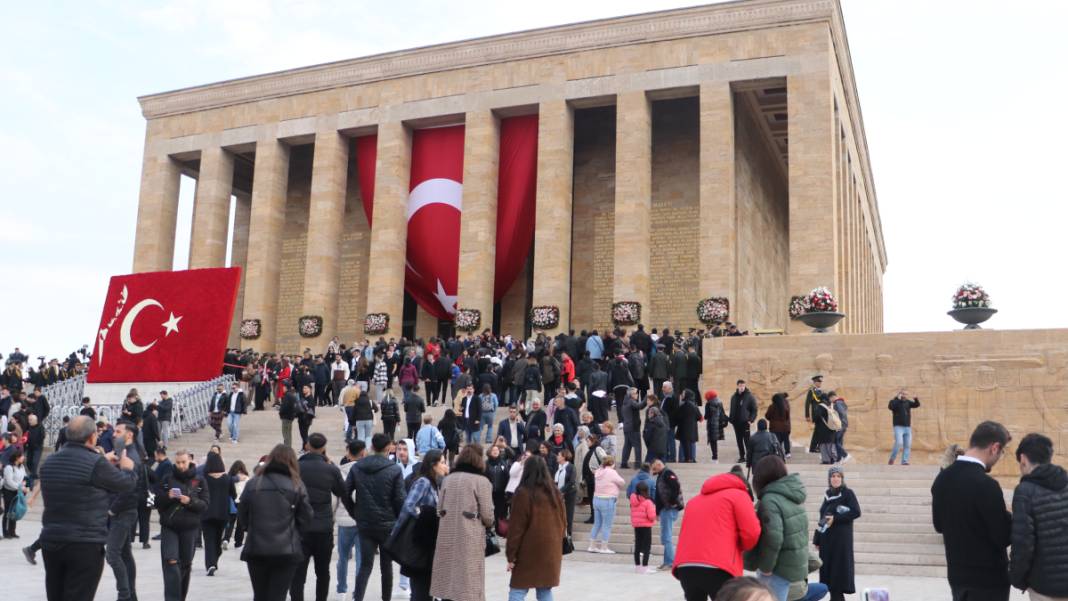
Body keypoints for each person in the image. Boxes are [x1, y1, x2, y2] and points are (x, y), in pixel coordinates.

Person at [39, 415, 136, 601]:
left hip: (51, 540)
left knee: (56, 595)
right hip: (84, 543)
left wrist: (101, 461)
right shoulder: (95, 463)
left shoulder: (50, 462)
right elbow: (126, 485)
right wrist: (127, 468)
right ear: (92, 437)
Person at [932, 421, 1014, 601]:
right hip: (988, 581)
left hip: (957, 576)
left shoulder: (942, 479)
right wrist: (1010, 516)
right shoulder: (986, 485)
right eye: (1001, 453)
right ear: (994, 447)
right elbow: (1002, 537)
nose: (999, 458)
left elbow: (939, 525)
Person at [239, 444, 314, 601]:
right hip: (286, 549)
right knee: (278, 595)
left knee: (260, 595)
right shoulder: (296, 484)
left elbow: (242, 516)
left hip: (257, 548)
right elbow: (306, 518)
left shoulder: (253, 483)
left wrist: (251, 528)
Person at [672, 468, 761, 600]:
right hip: (720, 567)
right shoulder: (739, 495)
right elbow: (751, 533)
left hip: (686, 566)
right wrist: (740, 548)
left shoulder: (694, 501)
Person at [292, 433, 354, 601]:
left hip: (300, 528)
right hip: (323, 527)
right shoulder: (331, 469)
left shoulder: (296, 467)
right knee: (322, 572)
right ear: (324, 448)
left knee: (298, 573)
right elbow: (343, 494)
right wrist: (356, 514)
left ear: (307, 446)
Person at [430, 444, 495, 601]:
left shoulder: (448, 479)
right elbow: (487, 515)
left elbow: (439, 509)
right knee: (469, 582)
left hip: (447, 535)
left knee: (448, 578)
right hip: (469, 537)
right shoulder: (482, 481)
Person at [347, 433, 406, 601]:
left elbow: (345, 491)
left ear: (371, 447)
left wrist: (355, 511)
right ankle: (385, 598)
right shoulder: (394, 469)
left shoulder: (357, 467)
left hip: (365, 522)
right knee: (386, 566)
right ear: (388, 448)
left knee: (365, 565)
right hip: (387, 524)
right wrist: (399, 522)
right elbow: (400, 499)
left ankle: (357, 598)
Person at [1009, 433, 1068, 600]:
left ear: (1023, 459)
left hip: (1044, 586)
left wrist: (1018, 579)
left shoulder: (1025, 491)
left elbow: (1023, 543)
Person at [745, 456, 809, 601]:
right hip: (789, 566)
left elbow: (773, 537)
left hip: (776, 568)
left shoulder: (770, 500)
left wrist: (767, 567)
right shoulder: (791, 496)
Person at [506, 455, 568, 601]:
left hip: (528, 550)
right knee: (545, 590)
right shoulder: (555, 493)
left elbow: (516, 528)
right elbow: (564, 522)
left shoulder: (523, 493)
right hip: (551, 549)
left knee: (518, 589)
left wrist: (511, 555)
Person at [156, 449, 209, 601]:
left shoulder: (199, 480)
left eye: (183, 462)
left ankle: (180, 597)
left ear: (189, 461)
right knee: (171, 561)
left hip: (190, 528)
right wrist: (168, 496)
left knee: (185, 565)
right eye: (178, 462)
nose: (180, 465)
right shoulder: (167, 479)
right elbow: (157, 501)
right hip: (170, 527)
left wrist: (190, 501)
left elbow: (205, 505)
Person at [394, 449, 447, 601]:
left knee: (426, 588)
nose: (445, 466)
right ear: (433, 465)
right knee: (420, 590)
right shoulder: (423, 482)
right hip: (419, 542)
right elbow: (409, 505)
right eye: (442, 463)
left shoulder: (435, 483)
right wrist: (424, 515)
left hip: (428, 542)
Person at [105, 420, 146, 601]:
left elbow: (130, 490)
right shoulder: (122, 454)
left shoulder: (132, 457)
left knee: (113, 554)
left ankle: (125, 595)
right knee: (124, 554)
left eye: (118, 431)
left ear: (129, 435)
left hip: (123, 511)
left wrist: (112, 510)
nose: (114, 434)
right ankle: (131, 595)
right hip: (122, 510)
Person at [815, 467, 860, 601]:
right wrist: (817, 538)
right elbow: (823, 516)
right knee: (829, 576)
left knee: (838, 576)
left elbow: (856, 512)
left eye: (838, 476)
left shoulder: (848, 494)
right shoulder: (828, 494)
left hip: (841, 542)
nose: (835, 479)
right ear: (829, 479)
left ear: (842, 478)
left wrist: (836, 519)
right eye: (833, 476)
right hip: (827, 541)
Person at [334, 440, 366, 601]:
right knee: (361, 558)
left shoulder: (340, 472)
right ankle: (357, 593)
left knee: (343, 557)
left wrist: (333, 517)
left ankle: (341, 589)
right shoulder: (366, 472)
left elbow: (335, 498)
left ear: (348, 453)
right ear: (363, 453)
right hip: (361, 520)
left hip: (344, 520)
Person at [200, 451, 235, 576]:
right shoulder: (227, 478)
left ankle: (211, 564)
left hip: (206, 513)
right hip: (222, 514)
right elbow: (233, 494)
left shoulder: (204, 478)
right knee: (217, 539)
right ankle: (214, 559)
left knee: (209, 540)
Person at [652, 458, 684, 571]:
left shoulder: (668, 473)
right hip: (665, 510)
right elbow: (658, 496)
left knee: (667, 537)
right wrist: (657, 512)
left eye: (657, 465)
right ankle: (667, 562)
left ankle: (670, 562)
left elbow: (675, 487)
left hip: (669, 509)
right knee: (665, 536)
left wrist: (672, 502)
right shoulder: (661, 475)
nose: (656, 468)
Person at [589, 455, 625, 553]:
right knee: (607, 525)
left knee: (597, 524)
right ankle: (604, 547)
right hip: (608, 500)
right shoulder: (612, 472)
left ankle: (592, 546)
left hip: (596, 499)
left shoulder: (598, 472)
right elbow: (622, 482)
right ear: (611, 463)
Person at [630, 481, 658, 573]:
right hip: (646, 526)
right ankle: (645, 567)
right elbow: (651, 516)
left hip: (637, 526)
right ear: (646, 490)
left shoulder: (633, 500)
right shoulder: (648, 502)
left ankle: (638, 567)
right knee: (646, 547)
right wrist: (655, 516)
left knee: (637, 546)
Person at [887, 390, 921, 466]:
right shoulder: (894, 402)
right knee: (899, 443)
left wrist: (916, 398)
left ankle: (904, 461)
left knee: (907, 445)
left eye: (906, 394)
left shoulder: (908, 402)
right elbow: (890, 407)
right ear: (900, 394)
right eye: (903, 394)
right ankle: (892, 459)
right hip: (898, 427)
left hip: (907, 427)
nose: (904, 395)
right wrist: (896, 398)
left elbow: (917, 405)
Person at [222, 460, 250, 550]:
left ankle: (226, 539)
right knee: (240, 523)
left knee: (230, 521)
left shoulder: (229, 477)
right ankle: (238, 543)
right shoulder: (246, 478)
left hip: (231, 501)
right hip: (242, 502)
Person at [730, 380, 758, 464]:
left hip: (745, 422)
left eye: (743, 386)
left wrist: (751, 420)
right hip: (736, 422)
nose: (742, 387)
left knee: (747, 440)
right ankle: (742, 457)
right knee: (739, 440)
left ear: (745, 386)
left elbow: (754, 409)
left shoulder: (749, 396)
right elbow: (732, 409)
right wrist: (731, 419)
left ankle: (749, 457)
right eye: (740, 386)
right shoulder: (734, 397)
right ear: (737, 386)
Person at [2, 449, 28, 538]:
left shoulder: (22, 467)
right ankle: (5, 532)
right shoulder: (9, 467)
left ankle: (12, 531)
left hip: (17, 492)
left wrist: (24, 483)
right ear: (16, 457)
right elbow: (9, 482)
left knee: (14, 511)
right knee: (8, 512)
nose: (23, 457)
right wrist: (20, 487)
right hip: (9, 491)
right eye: (22, 456)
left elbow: (25, 477)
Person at [554, 449, 577, 536]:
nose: (557, 456)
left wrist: (561, 491)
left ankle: (569, 535)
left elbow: (571, 482)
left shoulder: (571, 467)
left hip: (569, 494)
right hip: (559, 495)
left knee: (568, 515)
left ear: (564, 457)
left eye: (559, 455)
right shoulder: (558, 467)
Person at [811, 394, 839, 465]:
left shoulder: (821, 406)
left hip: (822, 429)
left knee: (823, 445)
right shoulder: (831, 405)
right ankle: (833, 459)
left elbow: (816, 417)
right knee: (830, 444)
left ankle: (826, 460)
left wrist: (814, 419)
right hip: (831, 428)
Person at [620, 387, 644, 468]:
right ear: (631, 394)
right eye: (635, 393)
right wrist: (646, 399)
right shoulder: (631, 401)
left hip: (627, 427)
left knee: (627, 445)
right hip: (633, 427)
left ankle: (623, 463)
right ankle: (638, 464)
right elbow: (640, 406)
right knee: (637, 446)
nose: (637, 395)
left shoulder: (625, 401)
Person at [675, 390, 701, 463]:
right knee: (691, 444)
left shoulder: (683, 405)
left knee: (685, 445)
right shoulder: (694, 405)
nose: (681, 395)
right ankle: (691, 459)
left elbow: (677, 416)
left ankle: (686, 459)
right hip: (692, 428)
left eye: (683, 394)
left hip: (684, 428)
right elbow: (699, 417)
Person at [765, 393, 791, 459]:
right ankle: (787, 453)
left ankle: (778, 453)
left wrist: (772, 419)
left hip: (775, 428)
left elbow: (767, 416)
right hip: (785, 427)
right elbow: (787, 416)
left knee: (777, 441)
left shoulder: (772, 406)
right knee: (786, 440)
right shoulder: (785, 406)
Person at [704, 390, 726, 462]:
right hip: (718, 424)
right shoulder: (719, 402)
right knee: (715, 440)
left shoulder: (708, 404)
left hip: (711, 424)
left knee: (712, 441)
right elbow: (722, 413)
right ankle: (715, 457)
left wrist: (705, 416)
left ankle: (714, 457)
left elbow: (706, 416)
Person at [279, 381, 299, 448]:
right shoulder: (292, 395)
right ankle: (288, 447)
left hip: (286, 418)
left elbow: (285, 407)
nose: (283, 388)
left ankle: (287, 448)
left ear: (286, 387)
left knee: (286, 434)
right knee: (288, 434)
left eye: (283, 387)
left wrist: (280, 412)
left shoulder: (287, 396)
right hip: (290, 417)